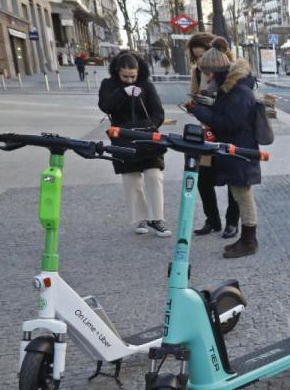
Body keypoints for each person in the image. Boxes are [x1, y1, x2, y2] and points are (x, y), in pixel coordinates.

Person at [192, 48, 262, 258]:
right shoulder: (230, 88)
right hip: (236, 147)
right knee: (239, 193)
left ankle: (249, 241)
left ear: (218, 71)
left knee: (242, 194)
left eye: (209, 73)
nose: (206, 77)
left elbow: (230, 122)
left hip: (240, 149)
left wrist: (200, 111)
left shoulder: (239, 91)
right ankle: (247, 239)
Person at [98, 51, 171, 237]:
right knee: (131, 180)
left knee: (154, 176)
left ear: (139, 72)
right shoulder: (109, 85)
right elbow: (105, 106)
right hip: (123, 138)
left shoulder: (146, 85)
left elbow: (158, 114)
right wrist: (122, 93)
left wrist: (147, 126)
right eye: (125, 77)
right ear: (117, 72)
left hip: (147, 138)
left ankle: (157, 219)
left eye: (133, 76)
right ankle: (140, 218)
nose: (130, 80)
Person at [186, 33, 240, 239]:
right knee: (203, 179)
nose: (200, 62)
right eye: (196, 58)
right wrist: (194, 105)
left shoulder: (230, 71)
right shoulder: (198, 71)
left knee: (233, 177)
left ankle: (232, 222)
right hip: (207, 130)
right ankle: (212, 220)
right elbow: (194, 95)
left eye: (202, 56)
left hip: (228, 131)